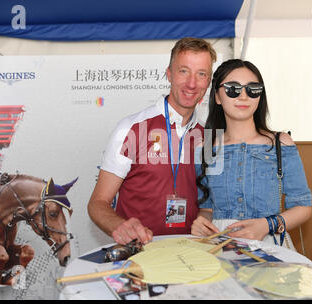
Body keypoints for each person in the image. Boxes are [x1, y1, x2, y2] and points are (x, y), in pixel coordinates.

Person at [88, 37, 217, 245]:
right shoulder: (131, 128)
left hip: (190, 254)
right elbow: (97, 203)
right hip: (138, 255)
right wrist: (118, 226)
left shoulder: (209, 137)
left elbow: (207, 204)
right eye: (184, 71)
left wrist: (205, 218)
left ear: (208, 81)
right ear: (169, 74)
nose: (192, 83)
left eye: (201, 74)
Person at [191, 59, 312, 249]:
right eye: (233, 88)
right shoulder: (205, 147)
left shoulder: (280, 143)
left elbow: (303, 207)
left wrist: (266, 225)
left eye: (252, 89)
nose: (243, 96)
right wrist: (201, 222)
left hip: (269, 245)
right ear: (217, 97)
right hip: (220, 246)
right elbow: (207, 208)